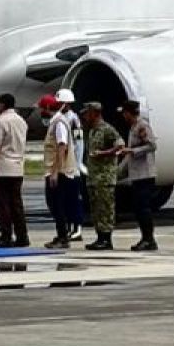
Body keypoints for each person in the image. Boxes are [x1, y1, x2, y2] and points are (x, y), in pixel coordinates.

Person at [37, 95, 83, 249]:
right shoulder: (56, 122)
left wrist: (57, 171)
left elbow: (62, 146)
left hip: (60, 171)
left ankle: (63, 237)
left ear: (49, 108)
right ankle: (61, 235)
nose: (40, 111)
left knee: (57, 205)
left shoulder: (59, 123)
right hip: (56, 170)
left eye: (42, 108)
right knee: (54, 204)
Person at [0, 93, 29, 248]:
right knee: (16, 204)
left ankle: (5, 236)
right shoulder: (21, 121)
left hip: (3, 167)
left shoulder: (1, 121)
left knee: (3, 205)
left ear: (3, 105)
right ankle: (22, 235)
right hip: (18, 167)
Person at [80, 102, 123, 251]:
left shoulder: (107, 129)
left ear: (95, 113)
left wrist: (104, 153)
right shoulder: (92, 130)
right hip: (94, 177)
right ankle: (100, 237)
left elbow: (119, 145)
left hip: (104, 177)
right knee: (96, 209)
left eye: (87, 113)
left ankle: (106, 239)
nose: (85, 116)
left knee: (105, 209)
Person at [119, 100, 159, 251]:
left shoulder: (142, 126)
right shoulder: (133, 127)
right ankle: (145, 237)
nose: (124, 116)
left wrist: (133, 151)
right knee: (138, 208)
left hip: (145, 174)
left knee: (143, 208)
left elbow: (152, 145)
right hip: (136, 174)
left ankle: (149, 239)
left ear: (129, 112)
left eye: (125, 112)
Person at [55, 87, 86, 241]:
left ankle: (77, 228)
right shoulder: (58, 118)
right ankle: (68, 227)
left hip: (72, 165)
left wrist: (78, 162)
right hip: (64, 165)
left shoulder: (74, 120)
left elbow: (79, 142)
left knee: (74, 199)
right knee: (65, 200)